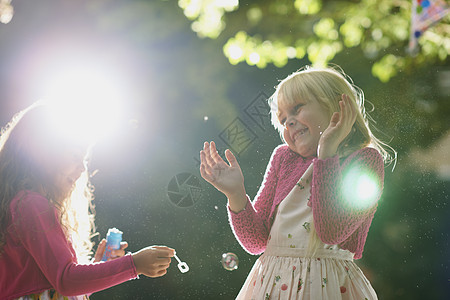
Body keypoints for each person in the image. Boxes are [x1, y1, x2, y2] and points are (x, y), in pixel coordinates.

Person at [200, 66, 395, 299]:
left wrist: (327, 154)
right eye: (282, 119)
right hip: (272, 283)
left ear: (338, 105)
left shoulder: (365, 161)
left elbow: (331, 231)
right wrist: (236, 194)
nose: (289, 122)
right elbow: (256, 242)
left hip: (327, 285)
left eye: (297, 109)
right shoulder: (283, 158)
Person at [0, 101, 175, 300]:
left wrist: (101, 265)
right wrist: (134, 264)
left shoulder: (21, 204)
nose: (82, 169)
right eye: (75, 156)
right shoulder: (33, 205)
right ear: (42, 152)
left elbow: (60, 288)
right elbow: (66, 281)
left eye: (84, 160)